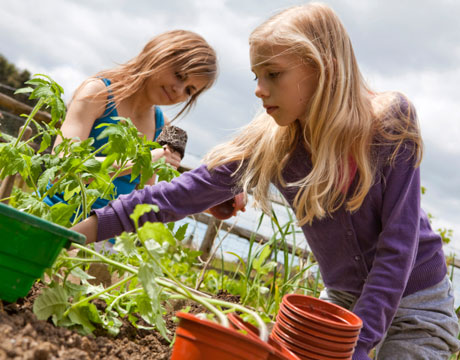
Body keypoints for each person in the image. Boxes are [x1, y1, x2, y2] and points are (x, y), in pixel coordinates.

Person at [71, 3, 460, 359]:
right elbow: (177, 195)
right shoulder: (274, 142)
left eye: (273, 74)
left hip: (417, 305)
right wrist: (78, 232)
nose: (259, 89)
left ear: (322, 67)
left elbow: (398, 242)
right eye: (257, 75)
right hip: (339, 305)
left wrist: (357, 344)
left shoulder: (389, 123)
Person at [44, 29, 217, 211]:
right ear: (158, 55)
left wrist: (204, 200)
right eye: (179, 75)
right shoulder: (98, 94)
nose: (179, 90)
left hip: (104, 234)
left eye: (189, 90)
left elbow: (143, 201)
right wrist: (140, 161)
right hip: (53, 218)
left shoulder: (161, 126)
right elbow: (60, 171)